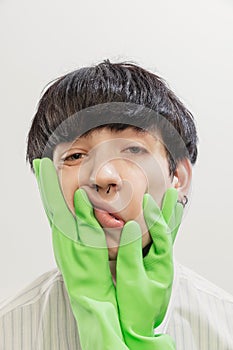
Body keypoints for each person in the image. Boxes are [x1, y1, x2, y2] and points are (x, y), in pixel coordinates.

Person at [0, 60, 233, 350]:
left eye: (133, 150)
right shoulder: (8, 330)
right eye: (74, 156)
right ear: (46, 183)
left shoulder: (226, 326)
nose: (103, 176)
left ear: (178, 177)